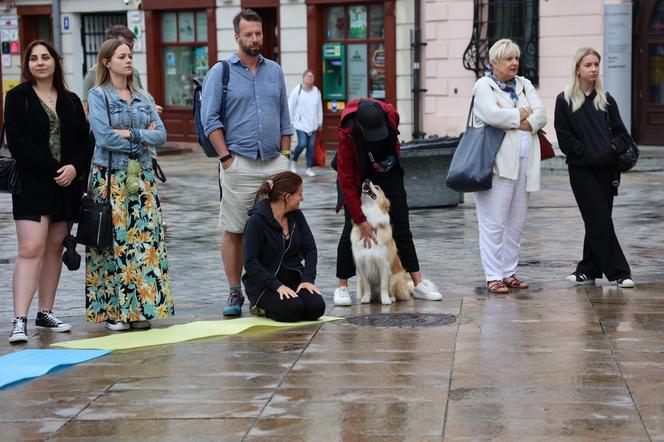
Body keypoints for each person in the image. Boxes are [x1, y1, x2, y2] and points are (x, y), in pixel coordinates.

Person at [201, 9, 292, 317]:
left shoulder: (275, 70)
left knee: (281, 224)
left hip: (273, 162)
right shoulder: (222, 71)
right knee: (235, 229)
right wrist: (226, 159)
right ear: (236, 36)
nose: (255, 39)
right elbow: (209, 119)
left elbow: (285, 118)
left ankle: (272, 283)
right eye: (249, 34)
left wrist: (286, 157)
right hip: (238, 162)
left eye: (259, 33)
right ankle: (233, 291)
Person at [5, 40, 91, 343]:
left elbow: (85, 141)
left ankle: (46, 311)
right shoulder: (17, 98)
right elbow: (18, 143)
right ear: (27, 65)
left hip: (66, 186)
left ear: (55, 61)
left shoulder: (70, 99)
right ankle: (20, 319)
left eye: (45, 57)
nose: (40, 63)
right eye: (34, 59)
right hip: (32, 184)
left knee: (54, 249)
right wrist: (56, 168)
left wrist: (73, 168)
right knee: (31, 250)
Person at [86, 39, 174, 331]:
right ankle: (115, 311)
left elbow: (161, 135)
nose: (128, 60)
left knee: (144, 243)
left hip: (143, 178)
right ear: (106, 62)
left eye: (130, 55)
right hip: (111, 178)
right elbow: (103, 137)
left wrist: (129, 133)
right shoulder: (99, 95)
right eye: (122, 56)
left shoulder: (143, 96)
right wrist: (140, 136)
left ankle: (141, 309)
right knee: (114, 244)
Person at [333, 97, 442, 306]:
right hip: (357, 169)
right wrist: (361, 220)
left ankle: (417, 282)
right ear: (360, 127)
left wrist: (387, 164)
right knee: (351, 227)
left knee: (401, 224)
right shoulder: (347, 130)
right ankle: (342, 286)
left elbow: (394, 144)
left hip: (386, 168)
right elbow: (347, 181)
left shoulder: (390, 114)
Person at [554, 47, 635, 288]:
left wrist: (610, 148)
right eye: (588, 65)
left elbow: (622, 135)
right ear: (578, 69)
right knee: (599, 219)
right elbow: (565, 138)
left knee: (598, 220)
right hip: (581, 171)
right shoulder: (564, 100)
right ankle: (620, 272)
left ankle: (588, 269)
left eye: (596, 65)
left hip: (607, 170)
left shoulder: (606, 100)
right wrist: (588, 152)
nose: (593, 69)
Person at [471, 39, 547, 294]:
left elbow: (542, 114)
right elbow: (492, 115)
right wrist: (521, 115)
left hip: (525, 162)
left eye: (516, 58)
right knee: (493, 221)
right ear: (494, 63)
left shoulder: (524, 84)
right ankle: (493, 275)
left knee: (516, 221)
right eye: (508, 59)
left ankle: (508, 271)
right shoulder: (484, 85)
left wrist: (520, 119)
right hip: (496, 164)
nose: (514, 63)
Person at [243, 172, 325, 322]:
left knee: (316, 307)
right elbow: (250, 263)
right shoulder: (256, 221)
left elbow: (310, 250)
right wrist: (277, 286)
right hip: (265, 285)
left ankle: (291, 302)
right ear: (288, 197)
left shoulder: (296, 216)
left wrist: (307, 280)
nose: (302, 198)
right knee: (292, 310)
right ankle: (260, 307)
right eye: (300, 194)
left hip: (293, 280)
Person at [288, 69, 323, 177]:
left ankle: (308, 168)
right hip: (300, 124)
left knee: (311, 146)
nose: (309, 78)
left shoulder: (316, 91)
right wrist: (291, 122)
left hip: (312, 124)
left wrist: (319, 122)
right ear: (303, 78)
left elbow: (319, 108)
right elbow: (291, 106)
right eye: (308, 76)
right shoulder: (297, 90)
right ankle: (294, 161)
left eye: (311, 77)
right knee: (302, 143)